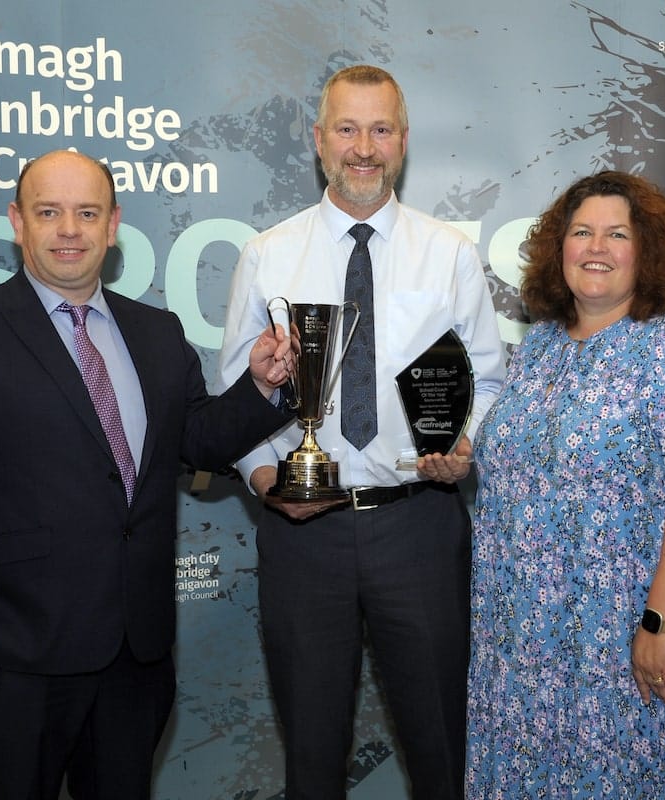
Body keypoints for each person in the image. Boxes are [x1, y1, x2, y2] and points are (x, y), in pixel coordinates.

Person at [0, 149, 296, 800]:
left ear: (113, 223)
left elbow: (197, 441)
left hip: (136, 652)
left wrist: (261, 387)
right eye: (49, 212)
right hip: (21, 652)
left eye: (86, 212)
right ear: (17, 222)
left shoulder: (157, 332)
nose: (69, 229)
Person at [217, 65, 505, 798]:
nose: (363, 148)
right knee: (312, 754)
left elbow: (488, 378)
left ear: (403, 143)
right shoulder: (267, 254)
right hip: (301, 533)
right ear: (319, 141)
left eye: (381, 129)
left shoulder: (449, 254)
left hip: (419, 525)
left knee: (443, 744)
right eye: (347, 128)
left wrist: (464, 444)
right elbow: (233, 395)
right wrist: (262, 481)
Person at [466, 171, 665, 798]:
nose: (596, 247)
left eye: (617, 234)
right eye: (581, 232)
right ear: (558, 248)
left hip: (629, 641)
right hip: (527, 651)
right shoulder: (539, 348)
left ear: (645, 252)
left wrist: (663, 622)